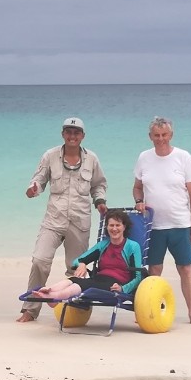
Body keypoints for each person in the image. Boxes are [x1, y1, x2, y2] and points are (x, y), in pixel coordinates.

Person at [17, 117, 107, 322]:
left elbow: (99, 184)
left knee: (75, 269)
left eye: (76, 132)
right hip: (53, 219)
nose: (72, 136)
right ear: (63, 134)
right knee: (40, 260)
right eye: (68, 132)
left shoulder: (92, 158)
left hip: (79, 221)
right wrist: (34, 189)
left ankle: (74, 311)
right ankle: (30, 309)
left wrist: (99, 201)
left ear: (82, 136)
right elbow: (39, 179)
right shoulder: (50, 156)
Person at [132, 116, 191, 324]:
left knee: (185, 268)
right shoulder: (144, 157)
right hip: (153, 226)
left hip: (180, 223)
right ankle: (152, 309)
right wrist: (139, 201)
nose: (160, 139)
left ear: (171, 135)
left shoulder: (183, 157)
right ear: (150, 136)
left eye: (164, 135)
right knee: (154, 270)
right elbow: (137, 187)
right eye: (156, 135)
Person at [31, 209, 143, 301]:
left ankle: (55, 297)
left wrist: (123, 289)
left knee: (86, 285)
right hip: (99, 279)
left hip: (116, 284)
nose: (114, 229)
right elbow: (76, 261)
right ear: (107, 227)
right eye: (111, 225)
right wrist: (82, 264)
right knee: (74, 279)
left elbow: (138, 277)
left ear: (124, 227)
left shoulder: (132, 247)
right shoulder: (102, 245)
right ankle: (50, 290)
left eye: (118, 225)